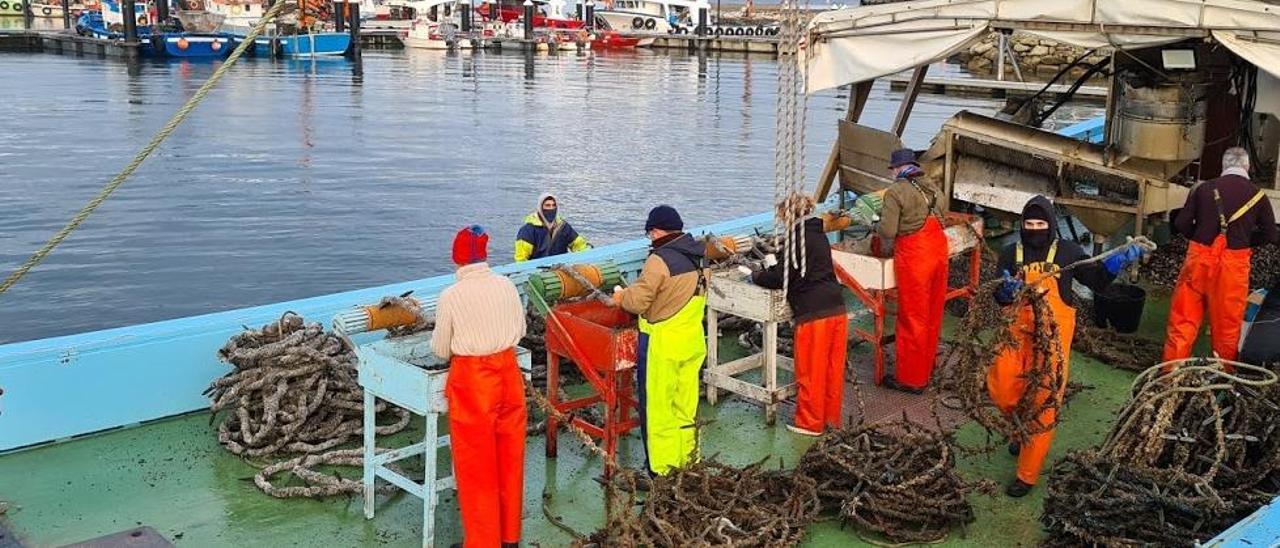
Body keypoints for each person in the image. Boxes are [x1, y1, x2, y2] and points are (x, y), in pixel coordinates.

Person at [988, 195, 1143, 497]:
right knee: (1003, 388)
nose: (1035, 229)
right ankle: (1019, 426)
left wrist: (1115, 262)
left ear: (1050, 224)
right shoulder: (1010, 253)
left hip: (1054, 342)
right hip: (1015, 335)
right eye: (1029, 224)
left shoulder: (1068, 251)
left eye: (1041, 224)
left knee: (1044, 404)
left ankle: (1027, 474)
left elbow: (1096, 281)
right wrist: (1005, 291)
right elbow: (998, 295)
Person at [431, 225, 528, 548]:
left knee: (477, 467)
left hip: (473, 381)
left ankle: (483, 543)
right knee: (510, 458)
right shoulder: (506, 285)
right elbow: (521, 328)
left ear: (456, 258)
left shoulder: (451, 296)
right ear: (484, 255)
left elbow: (441, 349)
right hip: (508, 374)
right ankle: (509, 538)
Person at [613, 205, 707, 476]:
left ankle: (662, 471)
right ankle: (689, 462)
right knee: (685, 406)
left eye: (649, 234)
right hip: (691, 341)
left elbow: (638, 302)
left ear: (655, 231)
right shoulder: (700, 255)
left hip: (662, 345)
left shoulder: (659, 260)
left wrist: (621, 297)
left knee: (658, 409)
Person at [1164, 147, 1278, 364]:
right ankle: (1223, 381)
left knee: (1183, 322)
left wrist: (1198, 238)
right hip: (1233, 267)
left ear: (1223, 166)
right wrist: (1243, 242)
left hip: (1199, 260)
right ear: (1247, 167)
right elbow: (1271, 234)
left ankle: (1169, 376)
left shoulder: (1203, 188)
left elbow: (1180, 223)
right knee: (1227, 327)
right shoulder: (1258, 196)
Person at [750, 193, 848, 436]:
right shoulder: (818, 235)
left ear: (788, 215)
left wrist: (755, 275)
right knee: (831, 370)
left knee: (811, 371)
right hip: (836, 308)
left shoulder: (797, 240)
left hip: (814, 314)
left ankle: (810, 423)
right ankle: (830, 420)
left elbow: (779, 279)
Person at [876, 148, 948, 394]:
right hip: (938, 253)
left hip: (916, 258)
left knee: (912, 318)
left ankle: (911, 379)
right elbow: (944, 215)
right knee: (932, 313)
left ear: (897, 168)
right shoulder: (933, 186)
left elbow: (887, 231)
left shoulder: (896, 191)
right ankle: (928, 368)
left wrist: (875, 228)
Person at [515, 193, 591, 262]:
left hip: (561, 269)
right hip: (538, 270)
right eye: (547, 205)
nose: (551, 208)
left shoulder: (563, 227)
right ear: (540, 207)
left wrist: (589, 253)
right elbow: (521, 258)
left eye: (553, 205)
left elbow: (579, 245)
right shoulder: (528, 231)